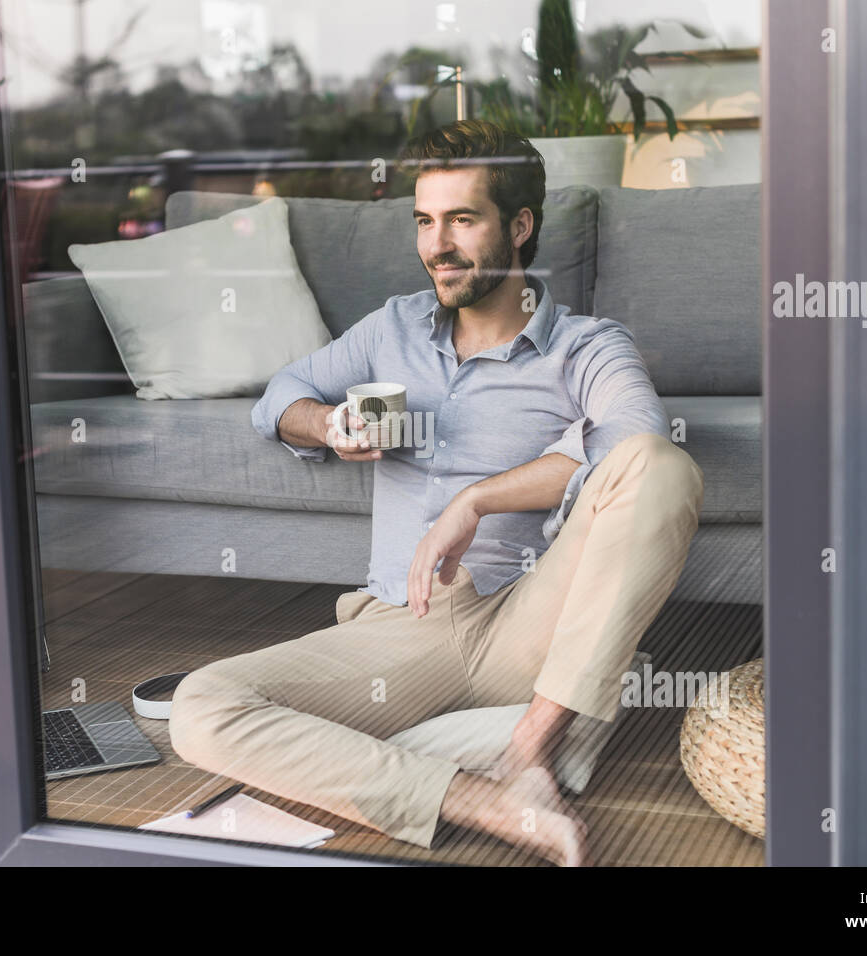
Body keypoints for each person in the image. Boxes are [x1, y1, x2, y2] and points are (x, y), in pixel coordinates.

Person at [168, 119, 704, 866]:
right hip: (401, 627)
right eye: (424, 220)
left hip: (523, 620)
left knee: (661, 464)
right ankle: (488, 795)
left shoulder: (585, 346)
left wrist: (476, 500)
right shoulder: (392, 328)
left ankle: (528, 741)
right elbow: (279, 396)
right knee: (200, 707)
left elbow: (635, 443)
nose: (436, 245)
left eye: (461, 219)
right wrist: (328, 423)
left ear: (519, 226)